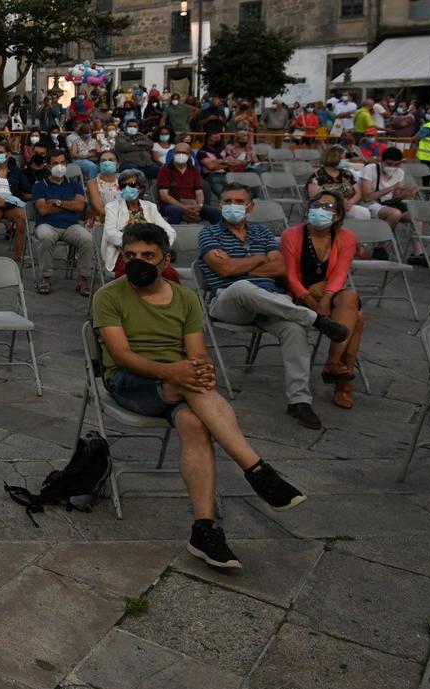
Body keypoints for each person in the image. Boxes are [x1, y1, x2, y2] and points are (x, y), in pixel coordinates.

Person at [91, 223, 307, 570]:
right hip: (129, 382)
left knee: (194, 420)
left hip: (180, 382)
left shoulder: (186, 298)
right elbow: (121, 355)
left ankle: (204, 530)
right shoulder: (109, 296)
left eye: (148, 255)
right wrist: (174, 373)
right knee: (189, 384)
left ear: (165, 260)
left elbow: (196, 352)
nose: (137, 262)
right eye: (130, 255)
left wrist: (202, 368)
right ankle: (257, 470)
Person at [198, 184, 351, 431]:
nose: (233, 206)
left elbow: (280, 268)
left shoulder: (262, 232)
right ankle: (316, 319)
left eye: (239, 201)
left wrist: (240, 264)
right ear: (220, 205)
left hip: (269, 302)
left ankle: (299, 401)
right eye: (227, 201)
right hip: (227, 301)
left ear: (250, 206)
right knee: (243, 287)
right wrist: (260, 259)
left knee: (294, 328)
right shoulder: (209, 234)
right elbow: (224, 271)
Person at [283, 191, 364, 411]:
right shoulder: (292, 234)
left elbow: (340, 273)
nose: (320, 210)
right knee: (357, 318)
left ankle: (332, 363)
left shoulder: (346, 237)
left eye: (328, 207)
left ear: (337, 216)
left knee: (350, 297)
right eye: (316, 205)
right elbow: (290, 276)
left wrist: (326, 298)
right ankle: (341, 381)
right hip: (298, 293)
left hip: (330, 291)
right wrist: (311, 300)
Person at [31, 159, 93, 295]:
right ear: (48, 165)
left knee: (87, 238)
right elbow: (43, 210)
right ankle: (45, 278)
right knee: (46, 237)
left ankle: (83, 279)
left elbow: (80, 206)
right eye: (55, 163)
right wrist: (69, 206)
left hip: (71, 226)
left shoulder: (74, 185)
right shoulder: (40, 186)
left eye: (63, 163)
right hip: (47, 225)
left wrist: (57, 203)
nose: (59, 166)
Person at [98, 167, 175, 275]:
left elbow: (170, 232)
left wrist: (158, 246)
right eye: (124, 186)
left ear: (141, 188)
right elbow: (110, 233)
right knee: (134, 274)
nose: (127, 188)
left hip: (150, 253)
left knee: (170, 274)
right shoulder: (112, 207)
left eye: (132, 184)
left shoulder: (150, 207)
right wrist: (136, 244)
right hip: (124, 254)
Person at [155, 146, 218, 225]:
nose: (181, 154)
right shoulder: (165, 169)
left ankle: (216, 235)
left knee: (215, 212)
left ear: (189, 155)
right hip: (170, 205)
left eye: (184, 153)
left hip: (192, 205)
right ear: (173, 154)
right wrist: (183, 207)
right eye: (178, 152)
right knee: (176, 210)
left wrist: (199, 206)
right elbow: (164, 195)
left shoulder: (194, 170)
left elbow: (199, 192)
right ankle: (171, 235)